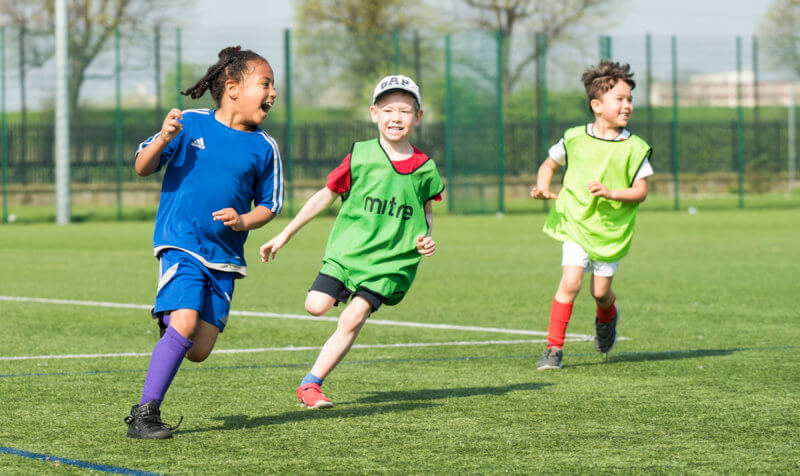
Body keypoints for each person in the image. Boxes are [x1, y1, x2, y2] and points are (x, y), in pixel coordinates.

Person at [124, 46, 284, 438]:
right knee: (186, 319)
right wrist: (163, 138)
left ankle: (172, 325)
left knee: (198, 350)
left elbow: (270, 206)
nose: (273, 93)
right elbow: (142, 166)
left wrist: (244, 219)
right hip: (181, 243)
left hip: (225, 258)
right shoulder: (190, 125)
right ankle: (144, 414)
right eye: (265, 84)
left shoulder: (265, 147)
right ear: (232, 87)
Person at [260, 75, 444, 409]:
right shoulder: (359, 155)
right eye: (388, 109)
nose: (396, 117)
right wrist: (285, 233)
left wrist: (426, 237)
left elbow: (427, 211)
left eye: (405, 110)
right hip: (349, 253)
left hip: (391, 261)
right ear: (374, 113)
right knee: (315, 306)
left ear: (418, 117)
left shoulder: (425, 168)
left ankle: (311, 384)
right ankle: (314, 376)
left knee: (352, 317)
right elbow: (325, 195)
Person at [530, 60, 653, 370]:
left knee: (600, 292)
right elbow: (549, 164)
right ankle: (553, 349)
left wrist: (612, 193)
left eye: (630, 99)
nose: (627, 105)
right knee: (570, 282)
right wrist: (542, 186)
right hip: (575, 222)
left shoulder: (635, 147)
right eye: (620, 99)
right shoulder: (574, 138)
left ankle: (607, 318)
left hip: (610, 230)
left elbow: (641, 191)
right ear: (597, 105)